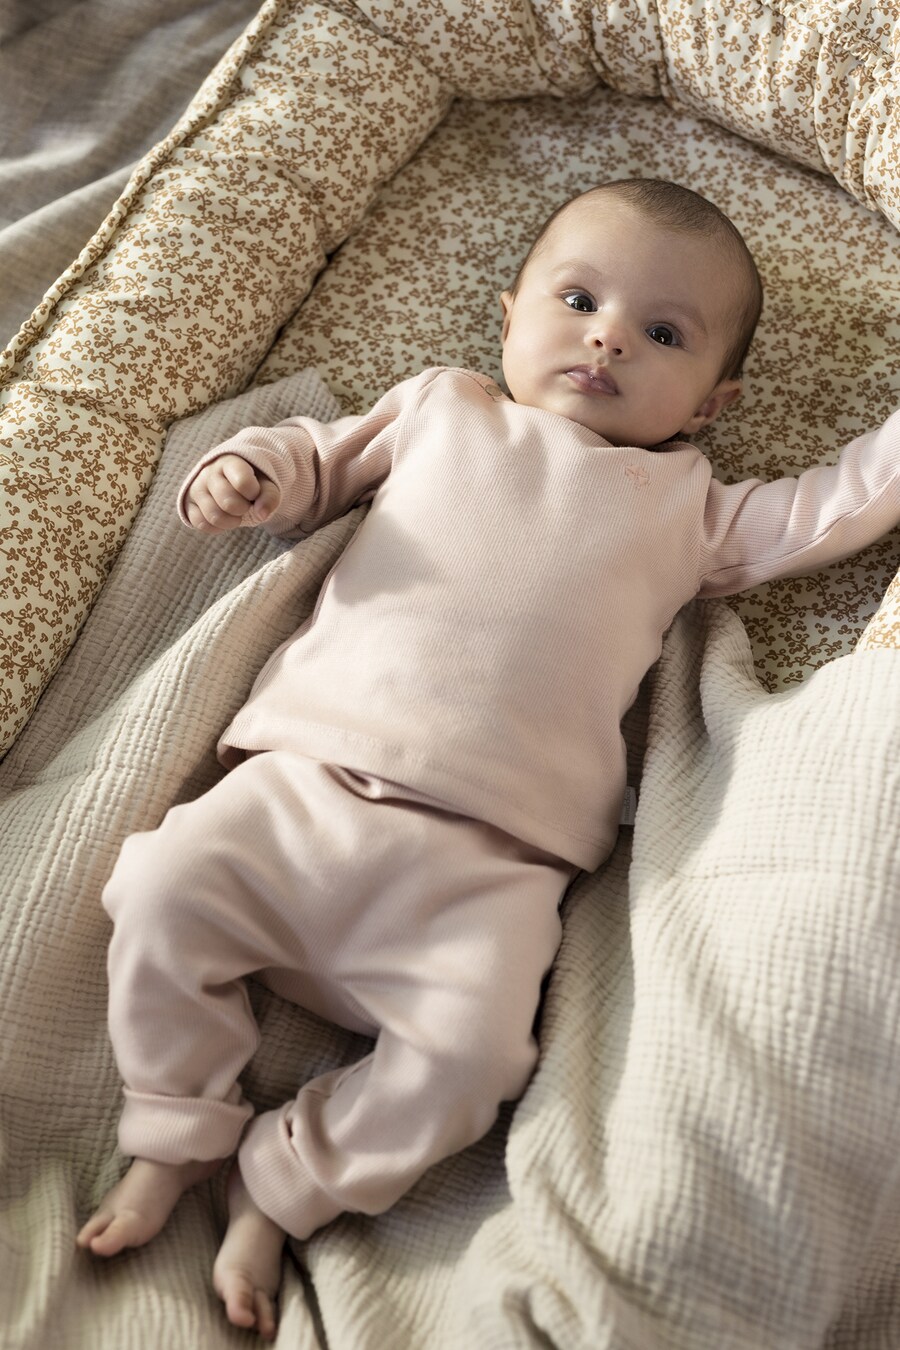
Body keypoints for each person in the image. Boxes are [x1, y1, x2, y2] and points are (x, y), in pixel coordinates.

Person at [77, 178, 900, 1338]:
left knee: (474, 1062)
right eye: (579, 300)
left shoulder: (689, 508)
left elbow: (838, 505)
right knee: (158, 888)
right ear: (509, 317)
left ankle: (285, 1183)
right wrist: (253, 470)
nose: (609, 337)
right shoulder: (441, 408)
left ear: (714, 404)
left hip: (487, 867)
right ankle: (174, 1130)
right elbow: (318, 459)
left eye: (664, 334)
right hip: (305, 787)